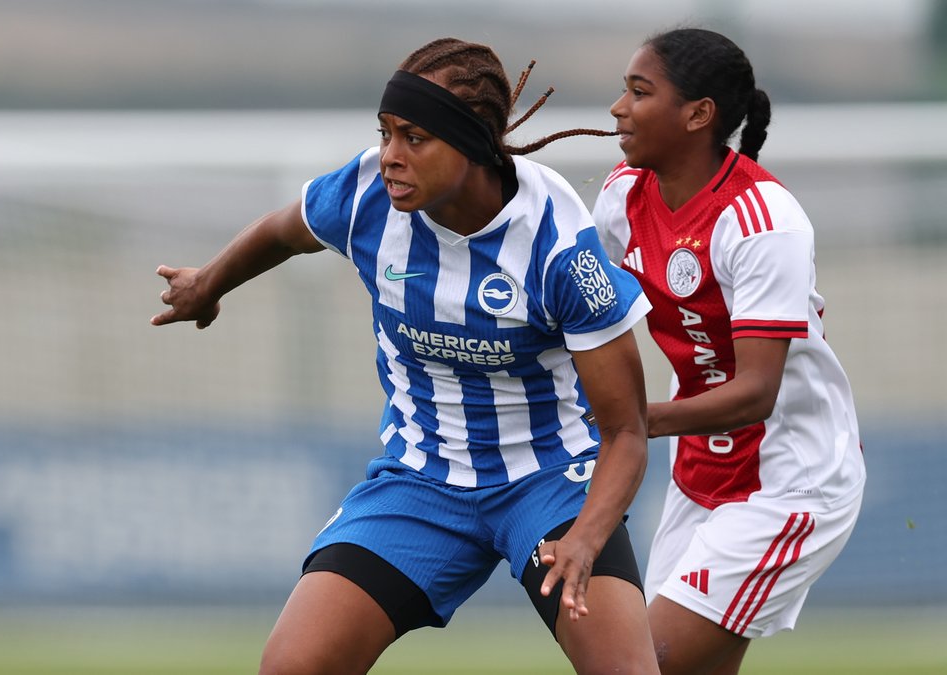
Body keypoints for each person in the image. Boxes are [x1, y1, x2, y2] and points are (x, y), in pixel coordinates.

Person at [152, 38, 659, 675]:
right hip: (422, 476)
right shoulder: (367, 195)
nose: (390, 156)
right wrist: (208, 284)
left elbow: (626, 432)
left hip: (551, 482)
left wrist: (586, 537)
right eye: (385, 132)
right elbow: (285, 229)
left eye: (414, 138)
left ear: (472, 142)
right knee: (292, 666)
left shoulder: (559, 247)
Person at [592, 28, 867, 674]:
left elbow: (756, 393)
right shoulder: (622, 198)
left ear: (698, 114)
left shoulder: (762, 221)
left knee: (638, 665)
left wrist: (632, 422)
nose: (618, 108)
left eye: (639, 92)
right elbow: (586, 314)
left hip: (790, 482)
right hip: (700, 475)